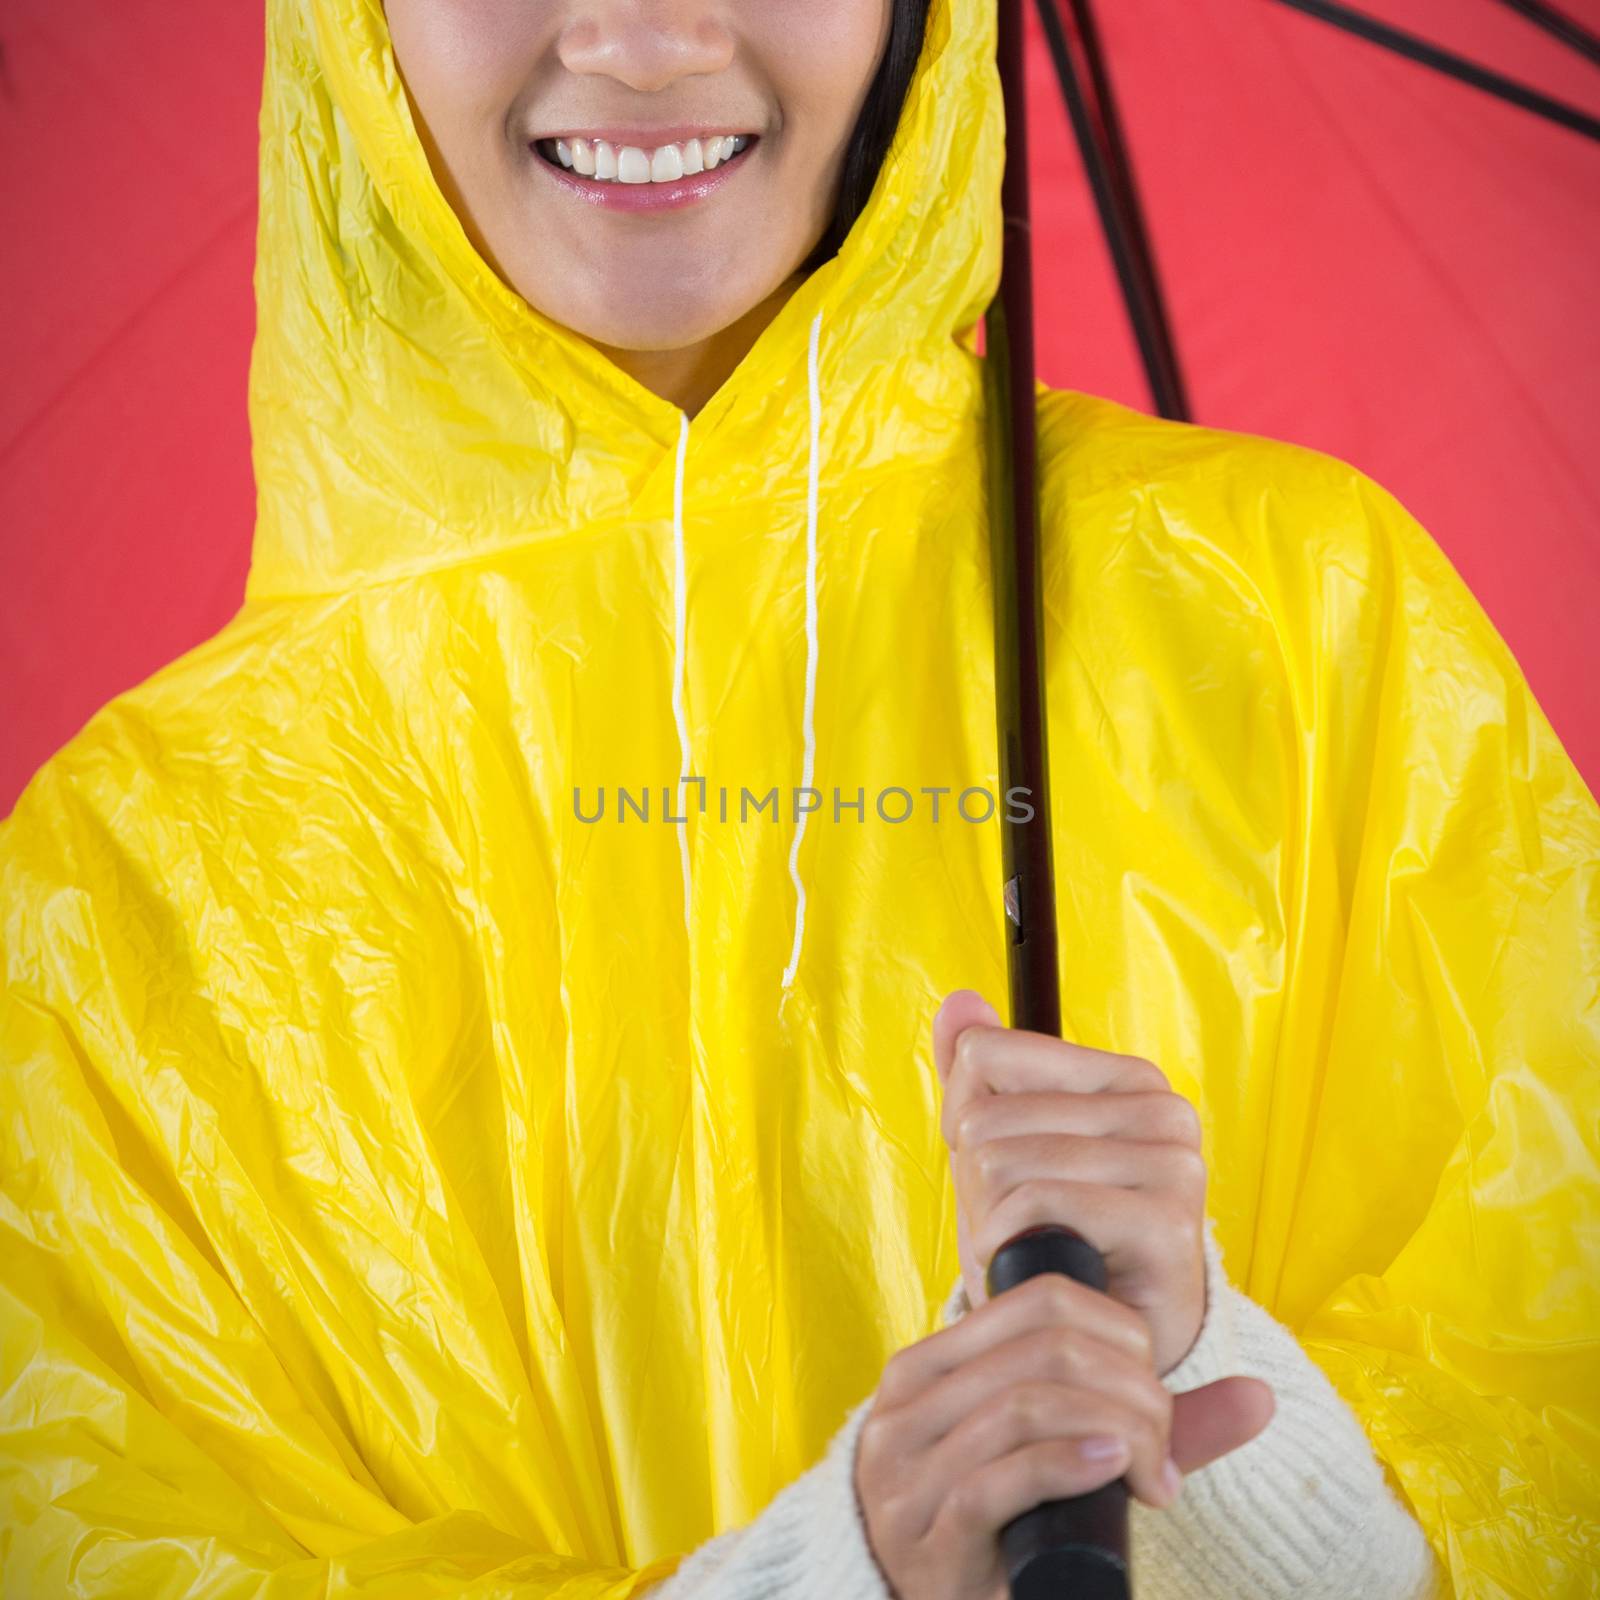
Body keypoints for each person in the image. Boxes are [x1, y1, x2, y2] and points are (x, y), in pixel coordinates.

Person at [1, 0, 1595, 1594]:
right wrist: (832, 1569)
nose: (641, 40)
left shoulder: (1301, 629)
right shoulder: (117, 902)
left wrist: (1253, 1467)